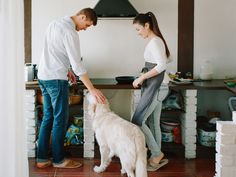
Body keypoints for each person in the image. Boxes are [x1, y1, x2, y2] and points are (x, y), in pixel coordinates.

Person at [36, 8, 106, 169]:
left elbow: (54, 51)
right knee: (60, 119)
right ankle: (59, 160)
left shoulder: (54, 23)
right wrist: (92, 89)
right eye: (86, 25)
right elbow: (78, 65)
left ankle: (41, 159)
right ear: (82, 17)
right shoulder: (70, 32)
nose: (84, 29)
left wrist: (67, 70)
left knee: (48, 117)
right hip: (55, 79)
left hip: (43, 76)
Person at [131, 12, 171, 171]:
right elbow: (167, 60)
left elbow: (161, 65)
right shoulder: (158, 40)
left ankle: (156, 153)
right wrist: (146, 73)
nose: (138, 33)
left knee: (138, 121)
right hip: (160, 86)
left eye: (138, 29)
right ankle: (157, 157)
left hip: (157, 87)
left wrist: (142, 78)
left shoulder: (155, 42)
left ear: (146, 25)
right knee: (154, 123)